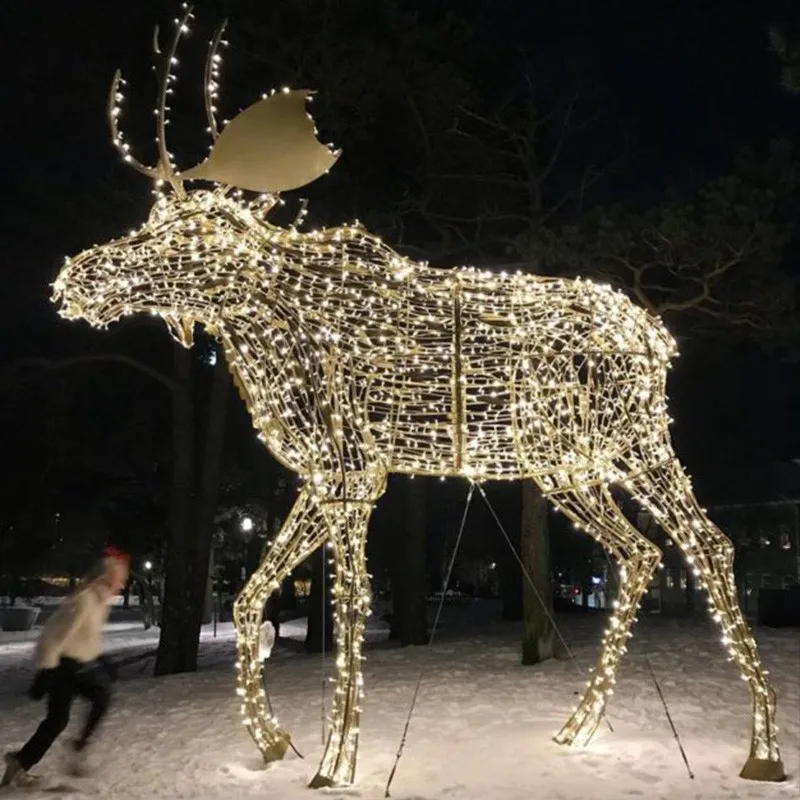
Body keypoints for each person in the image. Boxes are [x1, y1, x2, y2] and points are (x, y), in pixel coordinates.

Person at [2, 547, 130, 788]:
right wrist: (45, 672)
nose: (122, 585)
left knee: (99, 699)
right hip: (60, 666)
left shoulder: (101, 601)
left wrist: (101, 659)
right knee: (59, 719)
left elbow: (87, 637)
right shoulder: (84, 600)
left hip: (77, 665)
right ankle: (20, 762)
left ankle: (67, 750)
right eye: (120, 578)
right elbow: (52, 636)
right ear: (106, 576)